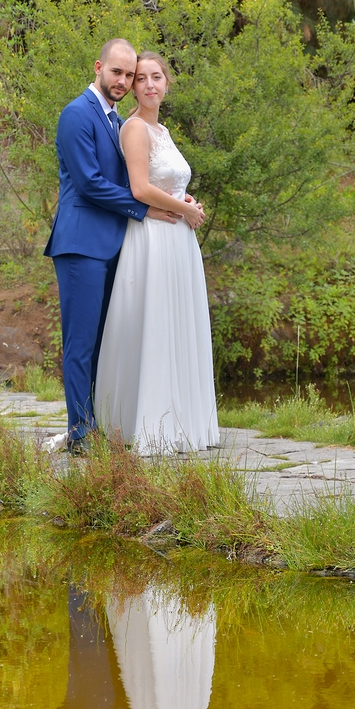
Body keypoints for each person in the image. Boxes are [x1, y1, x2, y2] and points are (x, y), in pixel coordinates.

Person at [45, 39, 181, 454]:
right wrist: (143, 210)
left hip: (112, 245)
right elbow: (88, 183)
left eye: (129, 75)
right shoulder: (76, 114)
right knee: (81, 344)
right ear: (99, 67)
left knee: (107, 341)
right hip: (81, 244)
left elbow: (130, 177)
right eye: (117, 72)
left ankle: (100, 423)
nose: (123, 81)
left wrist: (174, 198)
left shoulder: (113, 118)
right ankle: (81, 434)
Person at [94, 52, 220, 454]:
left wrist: (186, 201)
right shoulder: (134, 129)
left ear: (167, 84)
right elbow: (139, 189)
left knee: (176, 324)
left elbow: (170, 183)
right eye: (141, 78)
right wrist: (187, 210)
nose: (149, 84)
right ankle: (149, 426)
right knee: (155, 323)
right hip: (152, 237)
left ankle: (182, 421)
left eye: (156, 77)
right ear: (132, 87)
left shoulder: (162, 130)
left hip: (177, 239)